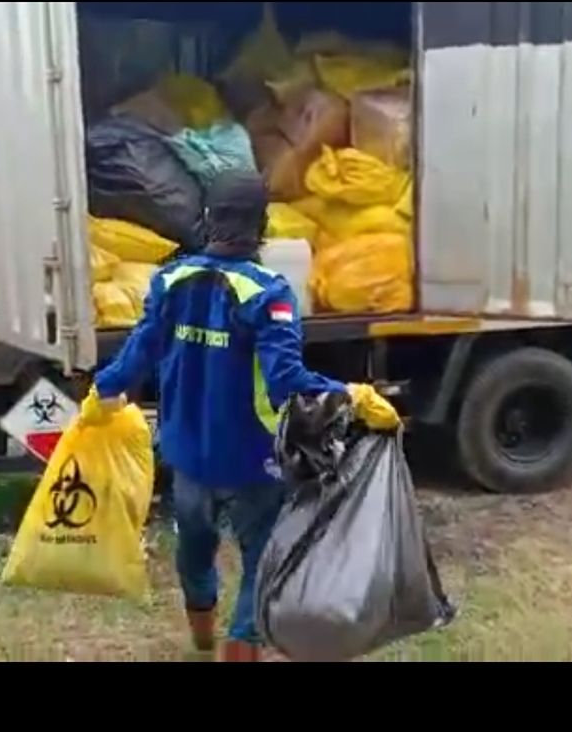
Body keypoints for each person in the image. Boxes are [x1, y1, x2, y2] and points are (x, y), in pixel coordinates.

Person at [80, 170, 399, 662]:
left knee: (194, 552)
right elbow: (287, 381)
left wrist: (103, 391)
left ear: (207, 220)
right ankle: (237, 648)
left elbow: (139, 352)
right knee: (259, 565)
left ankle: (203, 643)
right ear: (263, 225)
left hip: (186, 455)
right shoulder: (268, 294)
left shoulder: (170, 280)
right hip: (252, 462)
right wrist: (353, 395)